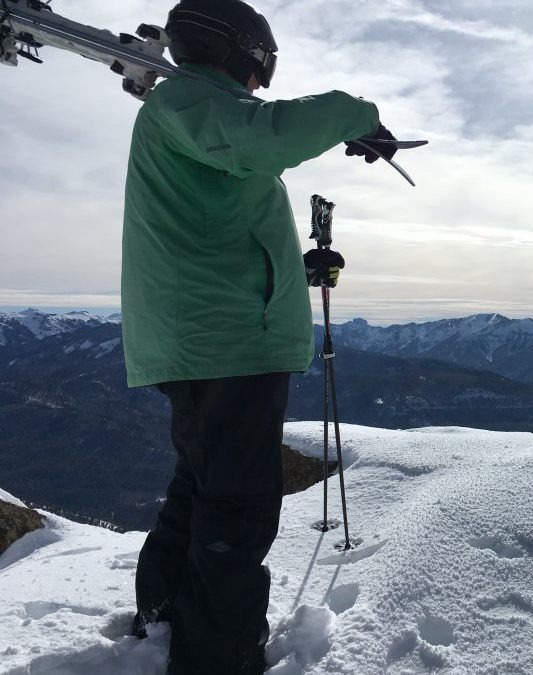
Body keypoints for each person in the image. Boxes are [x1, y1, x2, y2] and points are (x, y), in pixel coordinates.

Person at [121, 1, 395, 672]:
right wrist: (354, 115)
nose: (259, 85)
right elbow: (265, 137)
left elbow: (226, 210)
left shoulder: (189, 111)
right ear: (242, 50)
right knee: (237, 507)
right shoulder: (191, 103)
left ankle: (164, 619)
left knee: (204, 484)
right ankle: (218, 655)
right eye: (259, 70)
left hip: (210, 337)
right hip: (228, 343)